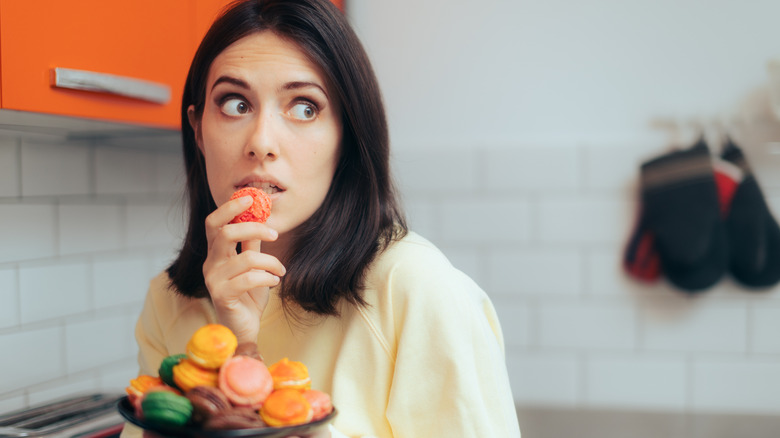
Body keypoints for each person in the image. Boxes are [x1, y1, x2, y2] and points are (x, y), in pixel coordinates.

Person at [122, 0, 521, 437]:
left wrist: (250, 358)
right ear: (198, 130)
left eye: (305, 107)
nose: (261, 142)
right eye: (235, 104)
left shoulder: (416, 291)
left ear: (346, 136)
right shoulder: (167, 301)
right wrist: (238, 345)